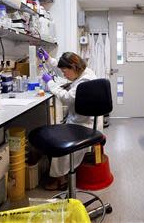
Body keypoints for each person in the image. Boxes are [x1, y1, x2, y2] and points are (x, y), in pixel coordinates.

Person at [38, 49, 99, 190]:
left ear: (73, 67)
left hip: (83, 124)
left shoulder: (84, 81)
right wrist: (49, 59)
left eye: (65, 71)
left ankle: (59, 179)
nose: (64, 75)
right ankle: (61, 176)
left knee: (59, 140)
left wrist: (50, 83)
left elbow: (67, 98)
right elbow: (64, 71)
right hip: (85, 120)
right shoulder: (85, 72)